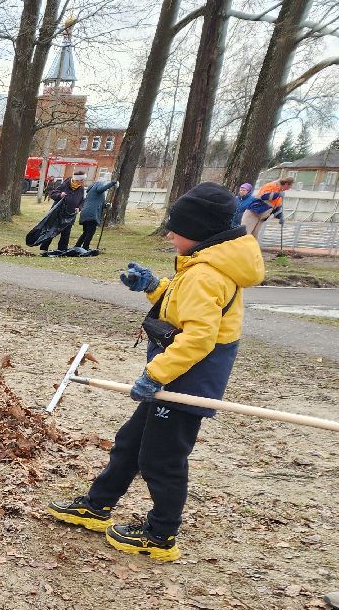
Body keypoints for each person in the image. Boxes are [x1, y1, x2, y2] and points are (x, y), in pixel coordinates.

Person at [47, 182, 264, 561]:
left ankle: (161, 534)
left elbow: (198, 338)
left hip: (187, 381)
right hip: (172, 375)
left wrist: (155, 375)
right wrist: (153, 287)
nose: (168, 234)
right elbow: (185, 306)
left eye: (175, 229)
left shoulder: (206, 273)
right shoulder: (202, 263)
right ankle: (97, 505)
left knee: (162, 459)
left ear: (198, 232)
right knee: (130, 443)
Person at [38, 174, 85, 255]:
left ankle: (62, 250)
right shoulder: (65, 184)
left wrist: (79, 208)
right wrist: (60, 195)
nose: (83, 182)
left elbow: (82, 201)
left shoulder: (81, 188)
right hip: (58, 213)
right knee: (52, 230)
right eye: (81, 181)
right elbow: (52, 194)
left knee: (66, 233)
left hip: (70, 214)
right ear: (77, 180)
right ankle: (44, 249)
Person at [71, 176, 117, 255]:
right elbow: (100, 189)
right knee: (90, 232)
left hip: (86, 212)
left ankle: (77, 246)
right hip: (92, 214)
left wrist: (106, 205)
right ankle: (85, 247)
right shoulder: (98, 186)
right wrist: (113, 183)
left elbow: (96, 202)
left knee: (86, 232)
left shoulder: (91, 190)